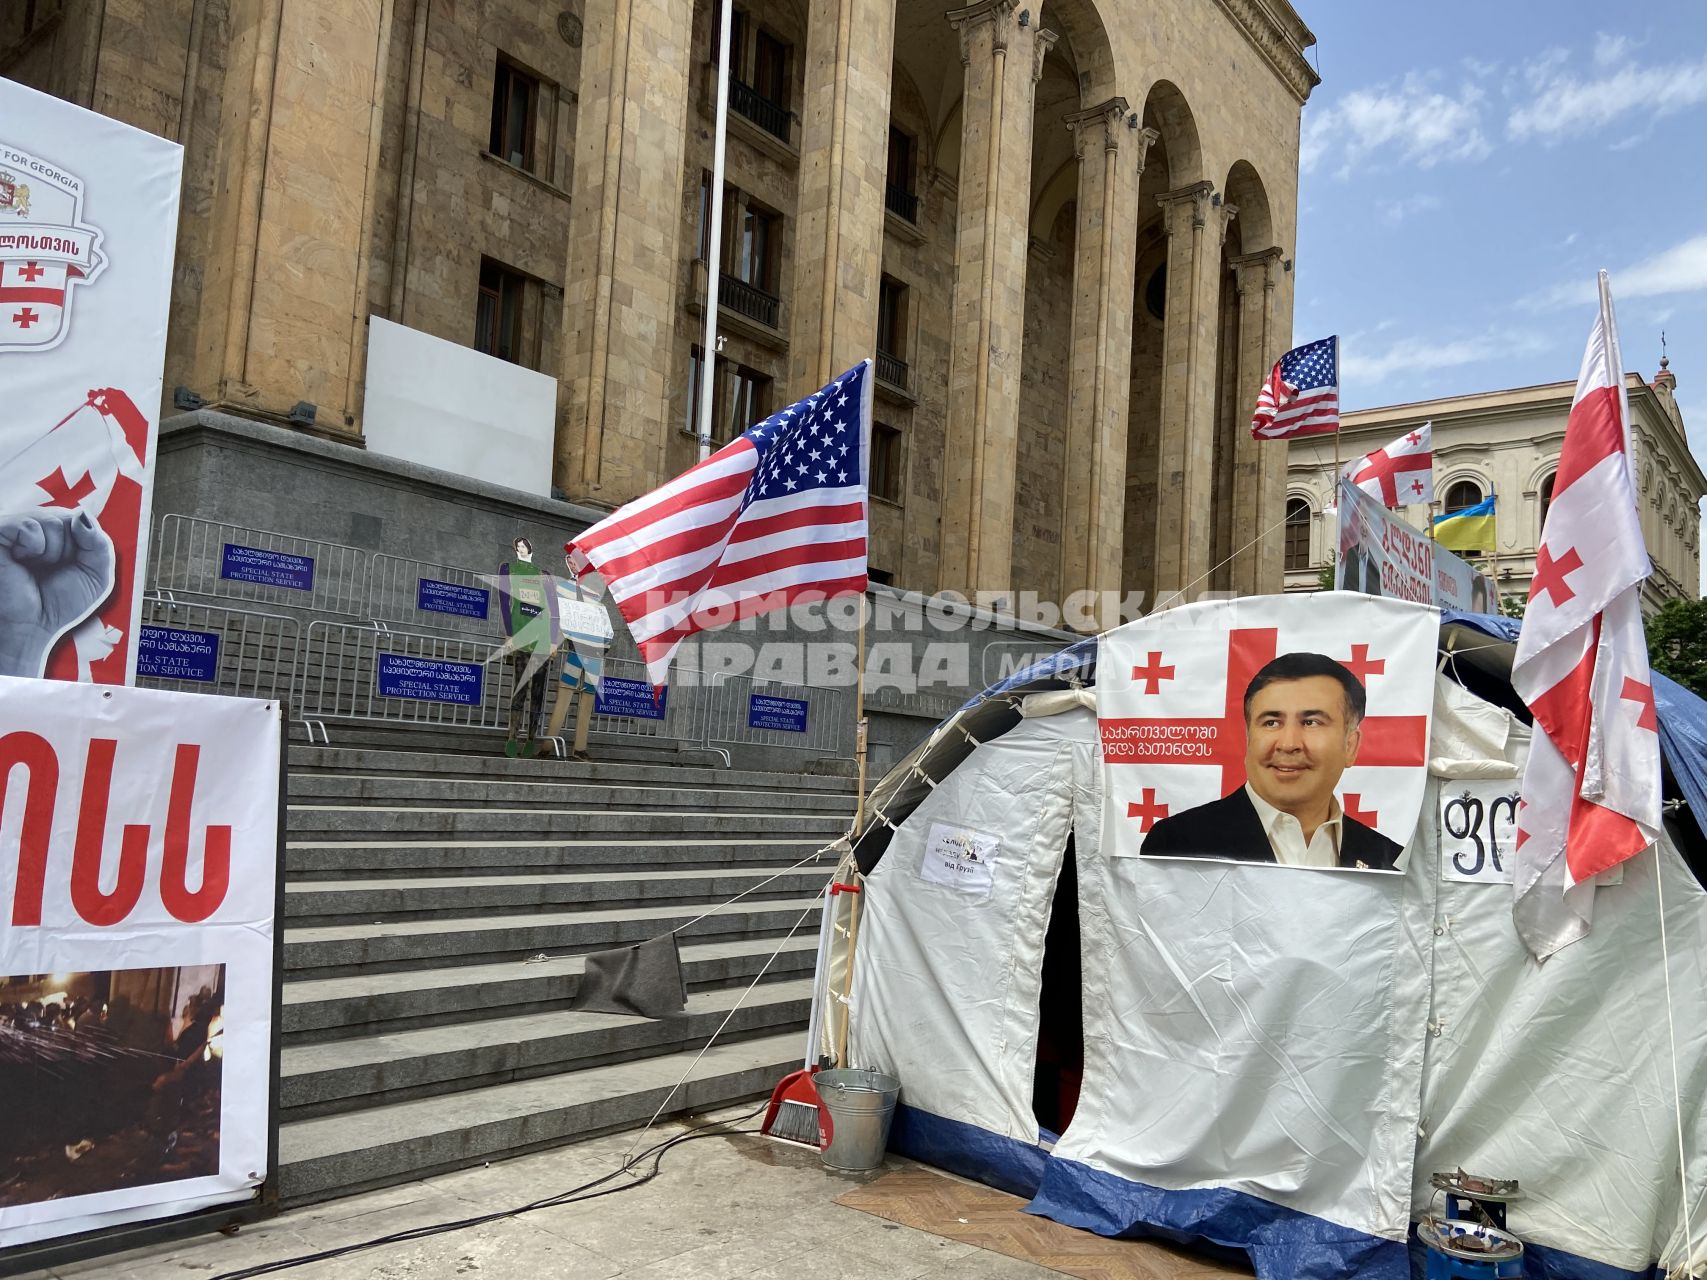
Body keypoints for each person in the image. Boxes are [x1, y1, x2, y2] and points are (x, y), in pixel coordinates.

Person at [1141, 651, 1405, 871]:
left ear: (1350, 746)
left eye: (1311, 722)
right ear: (1248, 736)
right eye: (1271, 722)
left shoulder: (1388, 859)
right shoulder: (1179, 844)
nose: (1289, 743)